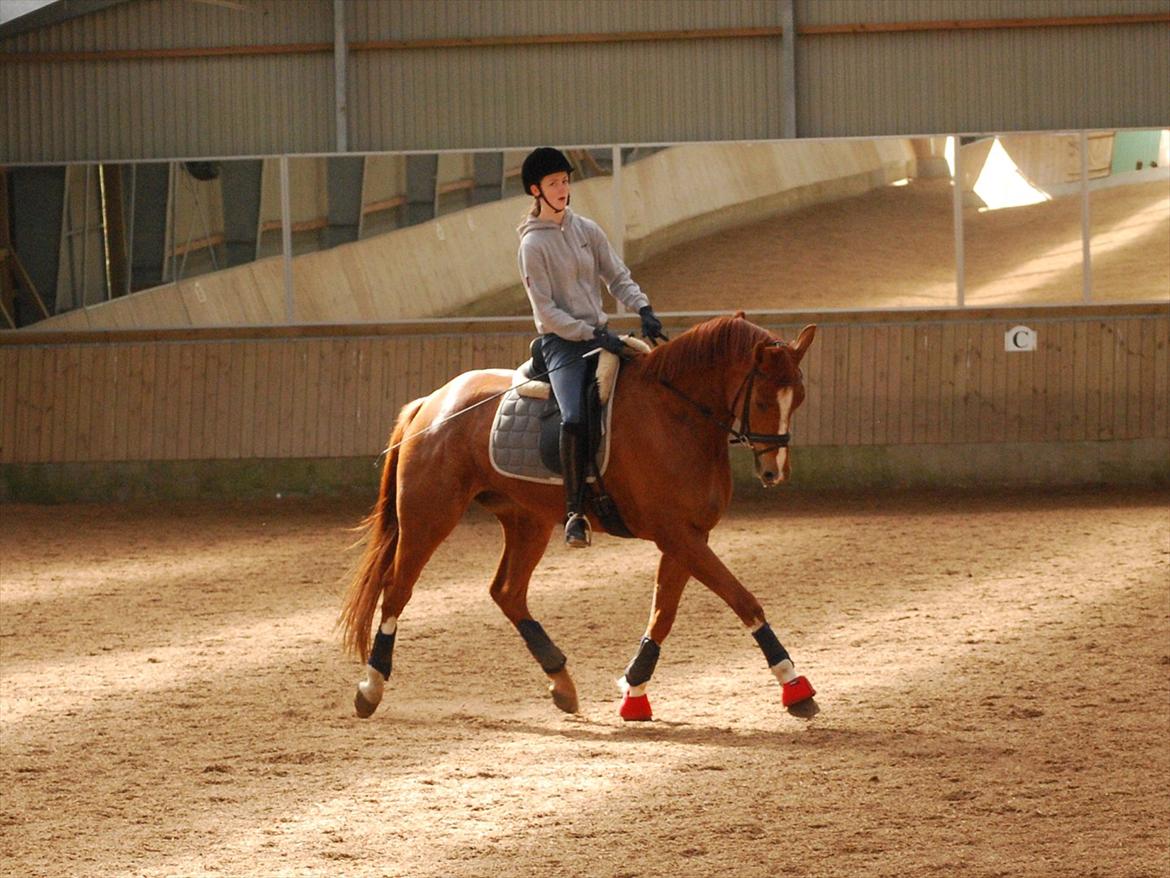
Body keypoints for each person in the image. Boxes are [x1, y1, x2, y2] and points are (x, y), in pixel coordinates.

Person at [517, 146, 668, 548]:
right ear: (537, 190)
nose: (563, 188)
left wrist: (643, 307)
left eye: (565, 181)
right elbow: (546, 312)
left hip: (601, 334)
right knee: (573, 418)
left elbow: (616, 276)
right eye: (554, 183)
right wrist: (587, 333)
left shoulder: (587, 230)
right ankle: (574, 513)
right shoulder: (532, 246)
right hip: (562, 344)